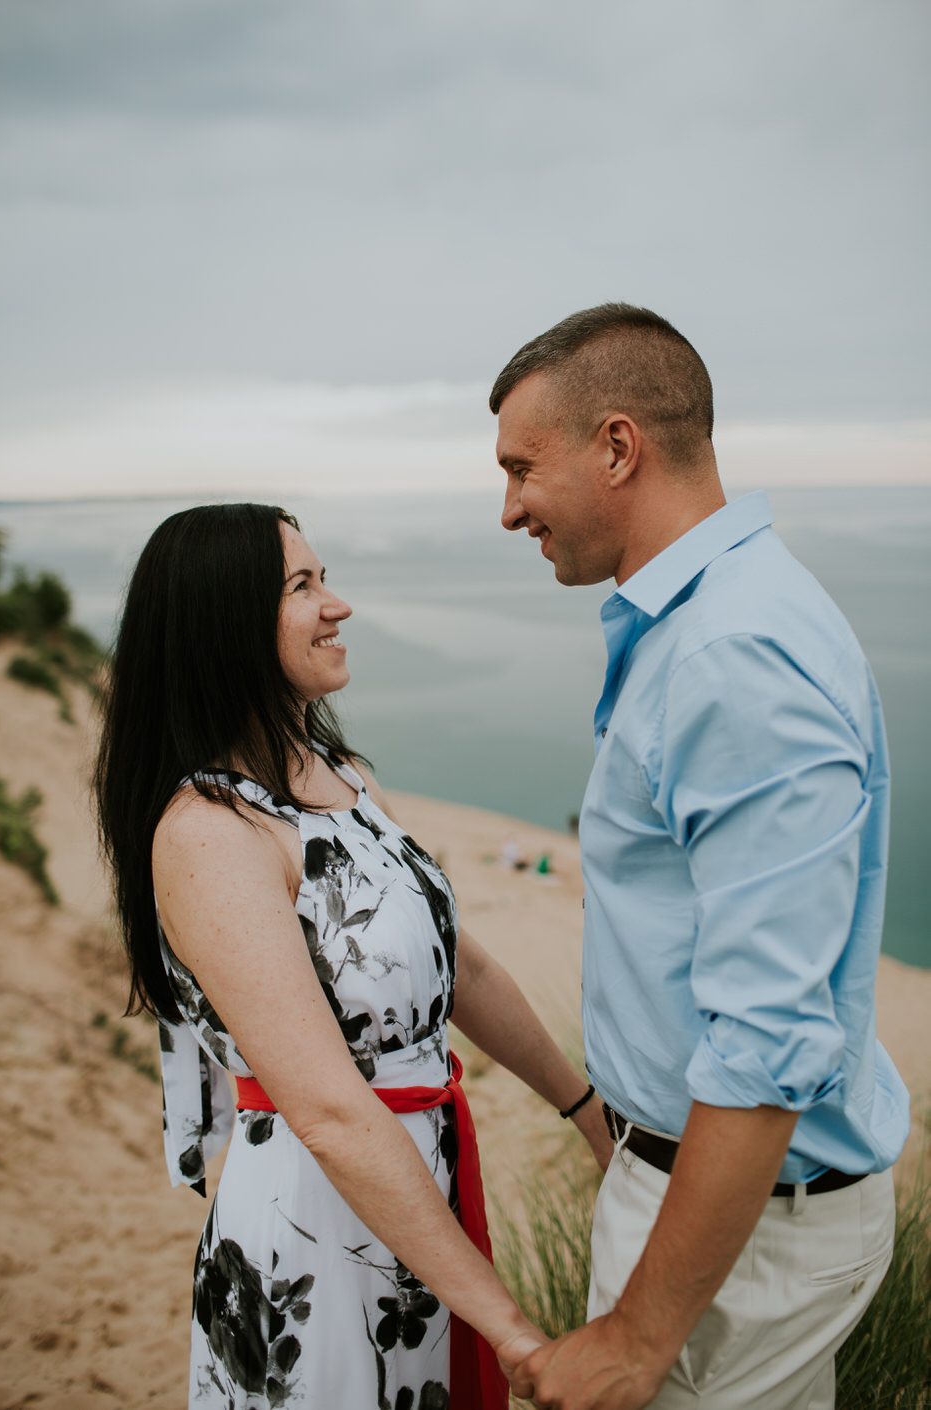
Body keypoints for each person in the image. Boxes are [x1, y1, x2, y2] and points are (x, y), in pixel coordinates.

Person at [94, 503, 613, 1409]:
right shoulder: (209, 834)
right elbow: (331, 1111)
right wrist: (516, 1334)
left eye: (323, 577)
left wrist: (585, 1112)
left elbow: (465, 969)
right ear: (228, 623)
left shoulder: (340, 777)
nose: (338, 606)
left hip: (419, 1193)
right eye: (303, 587)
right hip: (317, 1223)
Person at [490, 304, 910, 1410]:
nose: (508, 509)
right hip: (723, 1216)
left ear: (617, 447)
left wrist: (636, 1337)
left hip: (740, 1243)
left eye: (522, 469)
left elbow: (768, 1035)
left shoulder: (733, 655)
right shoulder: (703, 623)